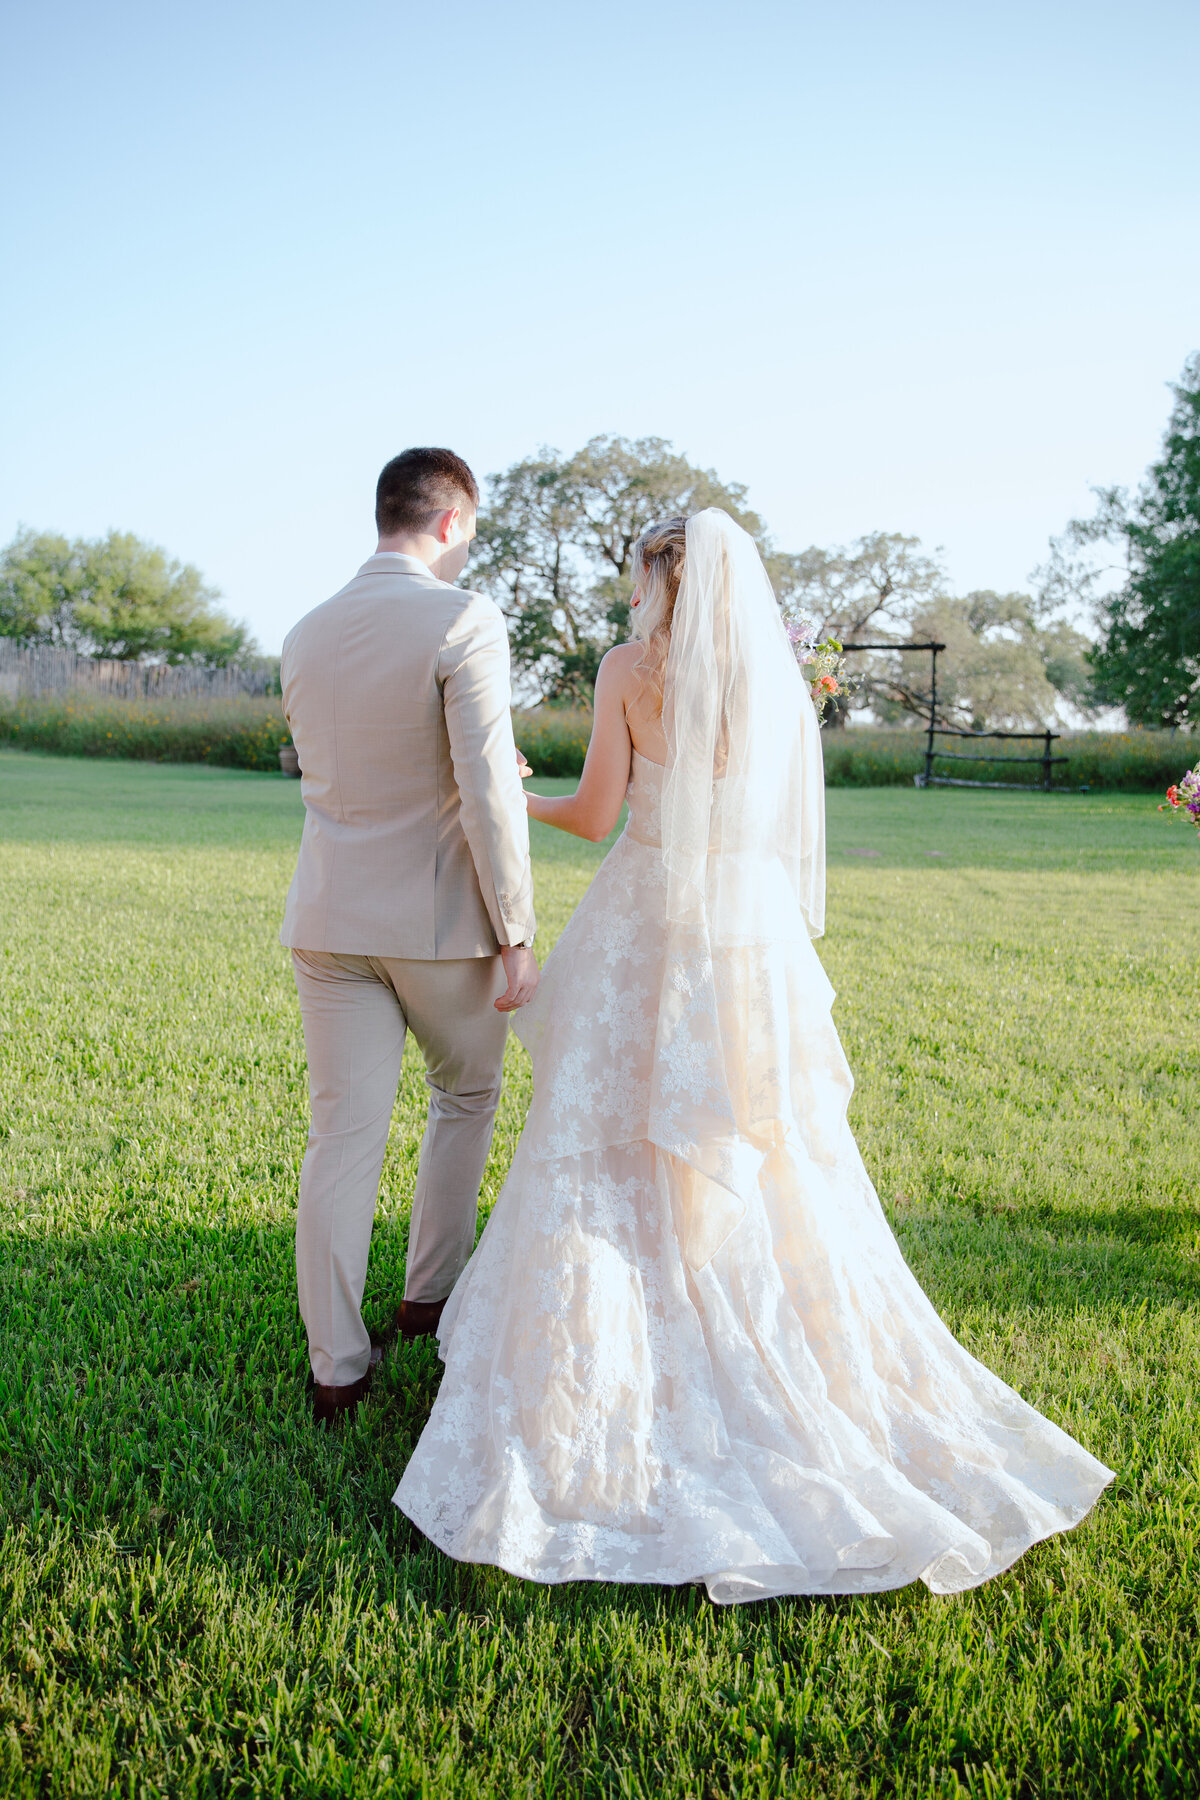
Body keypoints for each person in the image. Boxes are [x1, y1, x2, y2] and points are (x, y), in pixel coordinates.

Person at [393, 508, 1113, 1601]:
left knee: (606, 1150)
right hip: (744, 941)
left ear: (665, 581)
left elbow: (595, 815)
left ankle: (605, 1389)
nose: (634, 597)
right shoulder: (771, 680)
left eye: (641, 578)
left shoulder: (630, 670)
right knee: (764, 1149)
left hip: (646, 927)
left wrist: (507, 797)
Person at [280, 447, 538, 1427]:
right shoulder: (463, 616)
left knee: (340, 1135)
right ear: (450, 522)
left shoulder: (305, 633)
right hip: (434, 922)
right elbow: (483, 789)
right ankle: (429, 1300)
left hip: (328, 915)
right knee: (465, 1092)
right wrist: (515, 929)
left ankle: (336, 1366)